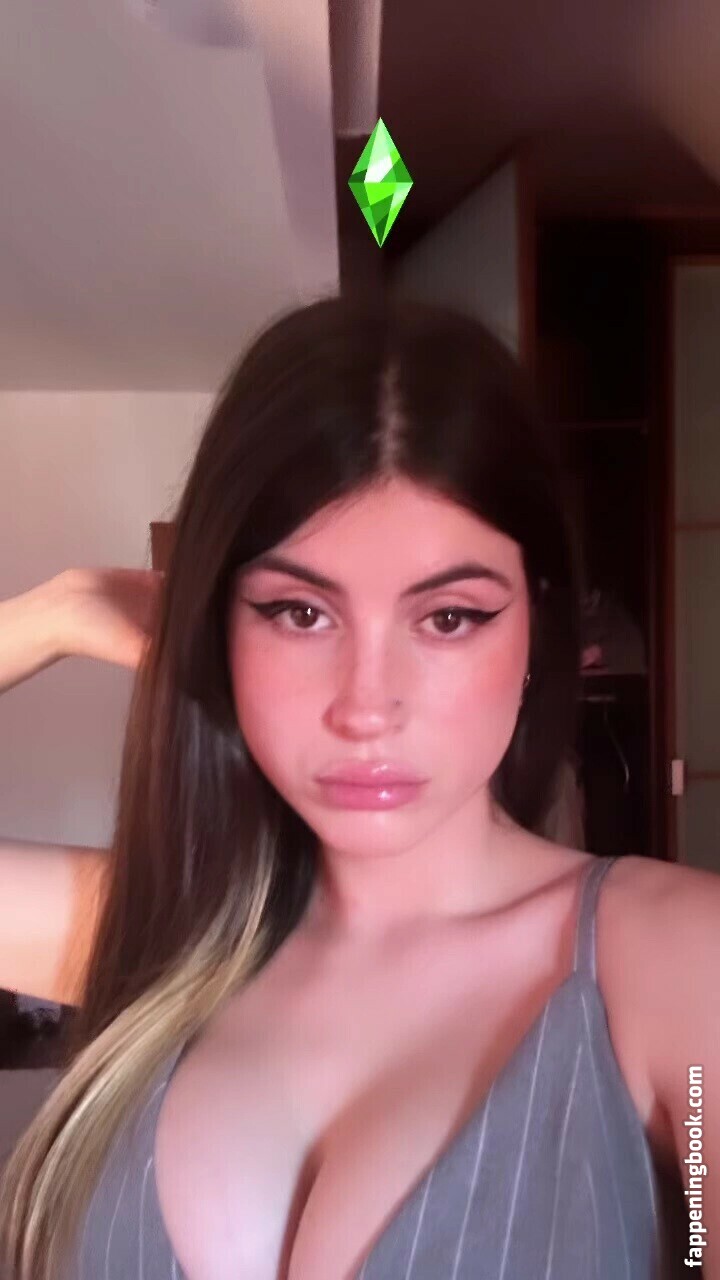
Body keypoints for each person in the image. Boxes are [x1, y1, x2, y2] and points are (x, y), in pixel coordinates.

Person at [0, 292, 715, 1279]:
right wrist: (53, 613)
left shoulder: (672, 962)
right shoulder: (158, 932)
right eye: (300, 612)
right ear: (220, 624)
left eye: (449, 617)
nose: (366, 706)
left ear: (536, 633)